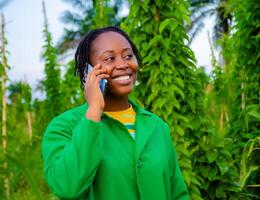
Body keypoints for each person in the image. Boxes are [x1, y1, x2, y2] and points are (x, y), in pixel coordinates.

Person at [42, 26, 189, 200]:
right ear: (88, 71)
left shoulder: (158, 127)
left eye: (128, 56)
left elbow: (177, 193)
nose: (122, 64)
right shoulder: (64, 127)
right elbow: (66, 187)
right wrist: (94, 109)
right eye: (109, 58)